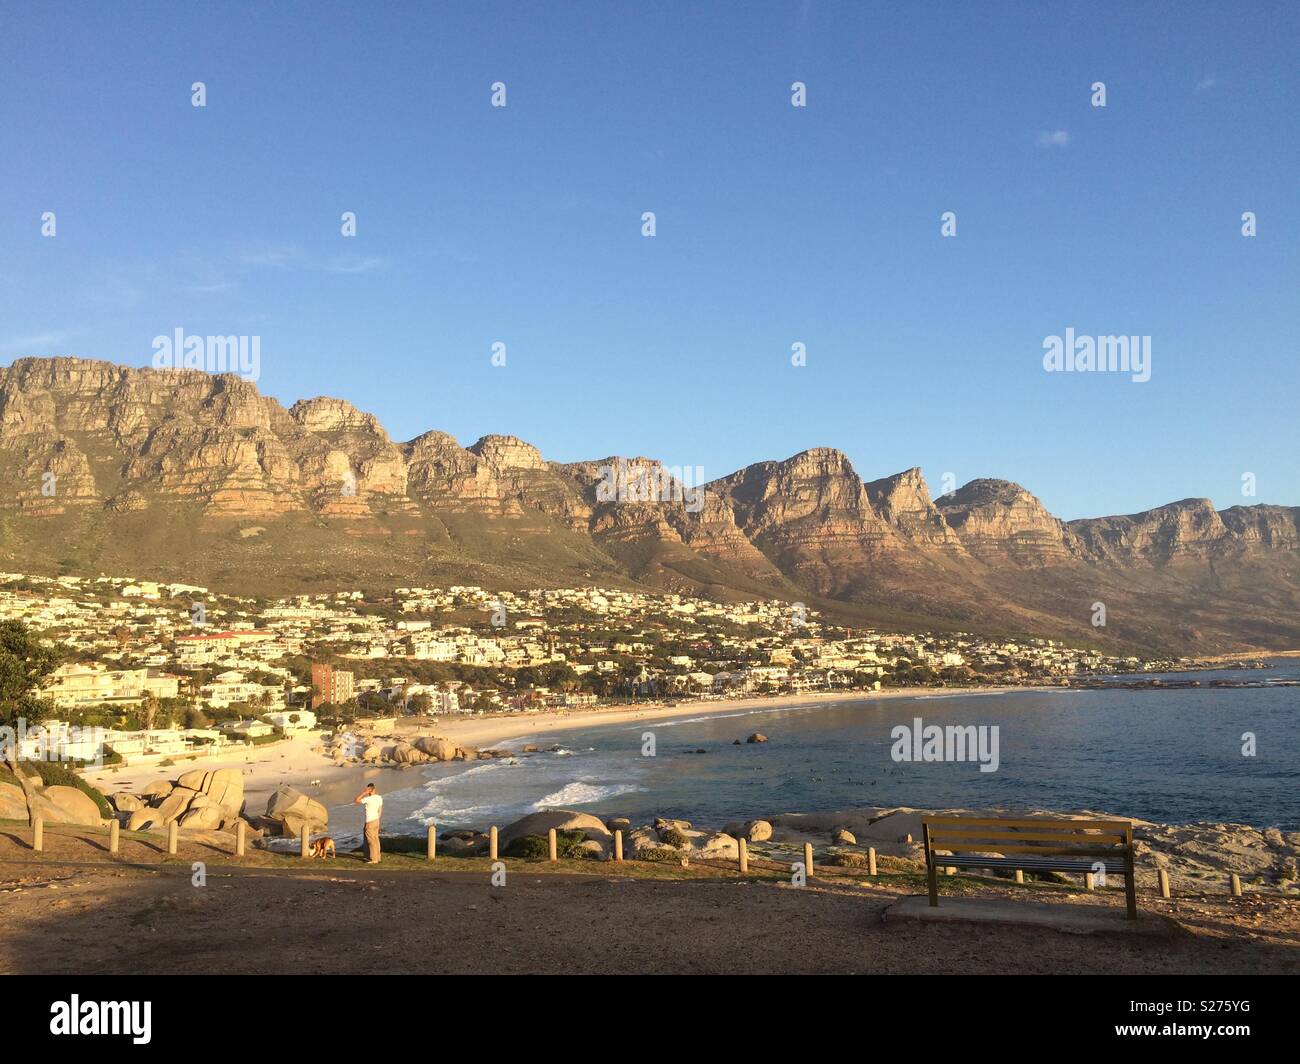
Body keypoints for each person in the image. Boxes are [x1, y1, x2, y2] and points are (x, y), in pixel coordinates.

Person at [354, 783, 383, 863]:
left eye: (367, 789)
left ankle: (374, 859)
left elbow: (356, 800)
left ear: (370, 790)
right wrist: (378, 820)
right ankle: (374, 857)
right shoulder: (379, 797)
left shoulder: (368, 799)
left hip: (370, 821)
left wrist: (363, 793)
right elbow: (380, 810)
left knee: (371, 840)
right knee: (375, 839)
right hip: (376, 820)